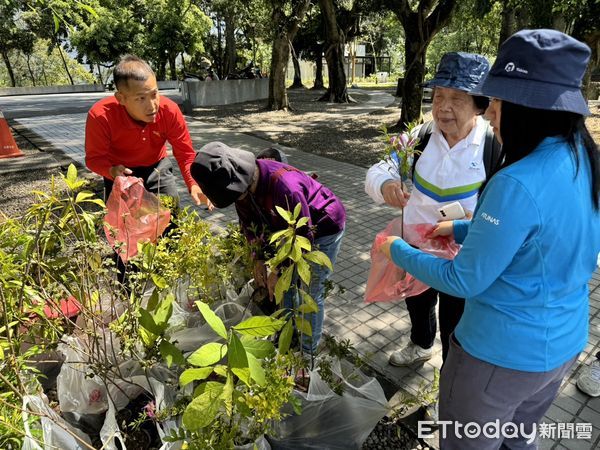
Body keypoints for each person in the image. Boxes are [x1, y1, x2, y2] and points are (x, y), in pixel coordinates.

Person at [381, 29, 600, 449]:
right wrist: (462, 228)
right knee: (518, 439)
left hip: (499, 357)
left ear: (528, 109)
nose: (491, 115)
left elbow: (465, 279)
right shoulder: (582, 156)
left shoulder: (515, 180)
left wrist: (400, 251)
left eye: (497, 104)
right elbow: (538, 239)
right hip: (564, 346)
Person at [365, 52, 496, 366]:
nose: (443, 107)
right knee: (417, 302)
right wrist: (385, 186)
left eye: (456, 98)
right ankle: (421, 344)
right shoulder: (418, 138)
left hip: (461, 254)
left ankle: (450, 375)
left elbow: (505, 209)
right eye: (438, 96)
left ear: (480, 104)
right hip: (416, 246)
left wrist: (473, 221)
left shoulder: (494, 147)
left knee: (457, 318)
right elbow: (379, 170)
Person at [190, 142, 346, 353]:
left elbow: (302, 239)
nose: (238, 200)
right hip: (290, 231)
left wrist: (278, 270)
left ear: (243, 180)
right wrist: (259, 258)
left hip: (322, 228)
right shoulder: (241, 188)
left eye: (238, 196)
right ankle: (288, 334)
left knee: (311, 290)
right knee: (285, 288)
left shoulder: (285, 187)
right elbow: (250, 226)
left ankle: (308, 352)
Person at [85, 54, 211, 209]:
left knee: (170, 215)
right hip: (119, 172)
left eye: (154, 94)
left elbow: (185, 154)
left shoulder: (169, 111)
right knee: (123, 225)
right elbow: (94, 159)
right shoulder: (100, 116)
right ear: (121, 98)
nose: (152, 106)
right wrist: (110, 171)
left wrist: (194, 183)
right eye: (141, 99)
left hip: (157, 167)